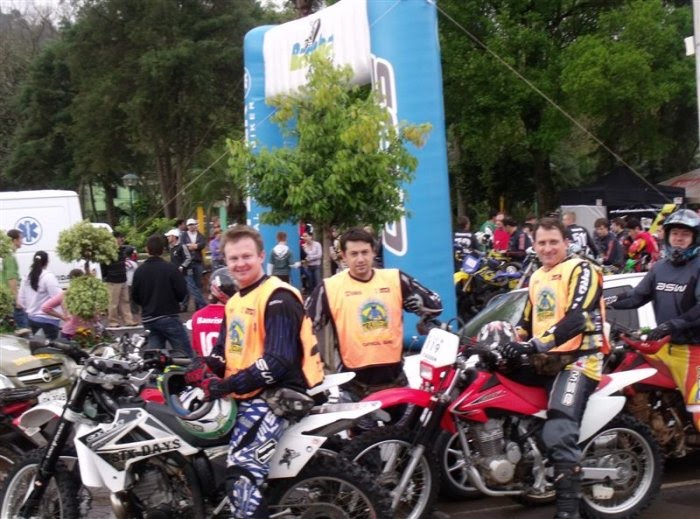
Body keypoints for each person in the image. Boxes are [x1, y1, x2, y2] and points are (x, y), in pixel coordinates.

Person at [184, 225, 324, 518]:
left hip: (277, 395)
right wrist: (199, 367)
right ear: (225, 261)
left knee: (241, 478)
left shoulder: (278, 297)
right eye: (233, 258)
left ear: (261, 256)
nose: (240, 263)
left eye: (246, 256)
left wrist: (225, 386)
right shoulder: (235, 302)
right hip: (247, 392)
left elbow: (277, 361)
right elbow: (223, 352)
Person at [501, 217, 608, 519]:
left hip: (579, 361)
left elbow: (577, 317)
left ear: (566, 243)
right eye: (542, 243)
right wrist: (505, 339)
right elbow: (525, 322)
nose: (547, 248)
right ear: (534, 246)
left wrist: (535, 344)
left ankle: (568, 513)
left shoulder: (582, 270)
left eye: (553, 242)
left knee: (560, 430)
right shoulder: (537, 277)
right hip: (546, 361)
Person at [305, 227, 442, 399]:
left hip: (395, 380)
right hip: (354, 387)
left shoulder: (395, 278)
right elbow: (304, 328)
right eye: (354, 254)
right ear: (344, 256)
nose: (360, 259)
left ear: (373, 252)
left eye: (365, 252)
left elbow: (436, 305)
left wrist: (421, 306)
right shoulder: (329, 287)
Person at [607, 209, 700, 438]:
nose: (679, 238)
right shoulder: (660, 267)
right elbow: (636, 296)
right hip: (662, 349)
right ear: (667, 236)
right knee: (625, 382)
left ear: (695, 238)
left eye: (685, 234)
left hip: (693, 353)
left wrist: (671, 325)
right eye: (675, 233)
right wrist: (602, 302)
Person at [132, 235, 192, 357]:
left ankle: (155, 368)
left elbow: (135, 296)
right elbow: (182, 292)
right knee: (185, 355)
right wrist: (175, 301)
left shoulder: (139, 271)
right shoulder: (171, 268)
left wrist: (146, 304)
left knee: (155, 358)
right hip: (168, 315)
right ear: (163, 250)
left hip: (148, 318)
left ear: (147, 249)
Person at [190, 268, 237, 357]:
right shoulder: (236, 316)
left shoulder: (197, 316)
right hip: (229, 364)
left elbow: (196, 348)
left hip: (205, 364)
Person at [41, 269, 98, 340]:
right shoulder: (89, 294)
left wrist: (62, 316)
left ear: (70, 280)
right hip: (87, 331)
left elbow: (45, 307)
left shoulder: (64, 294)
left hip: (68, 331)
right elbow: (95, 315)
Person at [17, 251, 62, 340]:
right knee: (50, 346)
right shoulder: (48, 277)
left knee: (38, 345)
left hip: (32, 319)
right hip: (48, 320)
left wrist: (30, 309)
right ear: (47, 262)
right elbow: (58, 297)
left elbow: (21, 300)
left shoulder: (26, 277)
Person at [100, 231, 138, 328]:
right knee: (113, 302)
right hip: (113, 279)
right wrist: (106, 277)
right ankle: (113, 321)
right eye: (119, 238)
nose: (121, 240)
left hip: (123, 278)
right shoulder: (108, 251)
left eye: (122, 237)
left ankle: (128, 320)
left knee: (125, 301)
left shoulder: (122, 250)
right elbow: (103, 266)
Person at [1, 229, 30, 335]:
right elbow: (11, 278)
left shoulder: (5, 255)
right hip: (10, 296)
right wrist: (17, 298)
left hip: (6, 295)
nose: (22, 241)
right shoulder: (9, 256)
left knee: (8, 326)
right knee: (24, 328)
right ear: (14, 240)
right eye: (21, 238)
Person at [180, 218, 207, 310]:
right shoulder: (184, 235)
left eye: (193, 224)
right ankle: (185, 305)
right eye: (189, 225)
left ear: (196, 225)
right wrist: (194, 246)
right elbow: (183, 245)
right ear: (187, 226)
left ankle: (198, 305)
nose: (191, 226)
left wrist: (195, 246)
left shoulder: (200, 235)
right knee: (189, 284)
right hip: (187, 264)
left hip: (197, 262)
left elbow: (202, 244)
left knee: (198, 283)